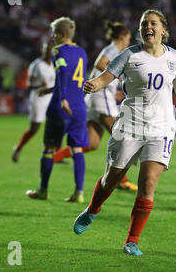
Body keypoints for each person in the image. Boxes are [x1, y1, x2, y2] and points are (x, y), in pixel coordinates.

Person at [72, 9, 176, 256]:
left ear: (163, 30)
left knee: (149, 182)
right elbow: (106, 77)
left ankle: (131, 241)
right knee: (111, 179)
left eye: (153, 23)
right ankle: (92, 209)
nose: (148, 27)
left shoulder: (175, 58)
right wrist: (93, 85)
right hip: (130, 124)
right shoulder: (129, 55)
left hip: (162, 127)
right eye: (144, 24)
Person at [53, 20, 138, 191]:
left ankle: (53, 157)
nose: (129, 42)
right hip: (101, 99)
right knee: (120, 137)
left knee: (92, 144)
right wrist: (118, 77)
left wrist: (114, 86)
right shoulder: (114, 48)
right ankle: (122, 181)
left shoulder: (113, 49)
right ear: (122, 36)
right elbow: (100, 63)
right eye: (128, 38)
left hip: (96, 99)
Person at [26, 17, 89, 203]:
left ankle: (43, 190)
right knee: (76, 148)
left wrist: (61, 98)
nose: (52, 38)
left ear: (62, 35)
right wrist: (52, 89)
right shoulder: (82, 52)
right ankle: (79, 193)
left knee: (48, 148)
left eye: (54, 34)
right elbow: (77, 80)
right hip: (79, 107)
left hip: (61, 108)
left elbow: (62, 73)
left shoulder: (57, 50)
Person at [12, 41, 55, 162]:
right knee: (34, 129)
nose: (48, 52)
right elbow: (29, 84)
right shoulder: (36, 65)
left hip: (51, 98)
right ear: (42, 50)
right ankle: (18, 148)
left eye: (50, 49)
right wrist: (39, 85)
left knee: (55, 124)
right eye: (46, 49)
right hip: (38, 98)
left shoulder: (54, 64)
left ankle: (55, 153)